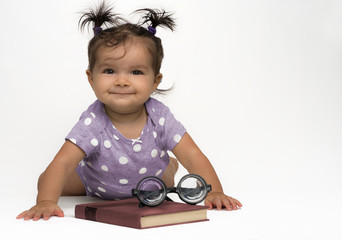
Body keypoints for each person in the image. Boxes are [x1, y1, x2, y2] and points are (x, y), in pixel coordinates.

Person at [17, 2, 242, 221]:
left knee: (163, 179)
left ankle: (168, 167)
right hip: (96, 184)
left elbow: (192, 155)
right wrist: (45, 201)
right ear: (91, 78)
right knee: (46, 180)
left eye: (136, 72)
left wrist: (215, 192)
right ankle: (165, 165)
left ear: (155, 81)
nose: (122, 81)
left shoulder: (160, 117)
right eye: (109, 70)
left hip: (151, 183)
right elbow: (64, 162)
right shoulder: (93, 121)